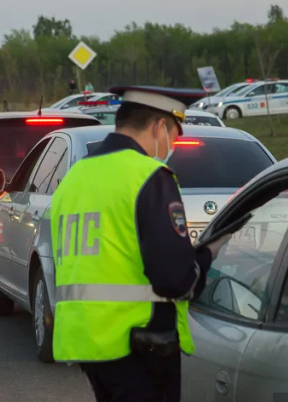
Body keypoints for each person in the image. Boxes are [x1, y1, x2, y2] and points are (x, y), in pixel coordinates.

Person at [50, 86, 233, 401]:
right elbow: (174, 279)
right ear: (160, 126)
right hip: (137, 343)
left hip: (85, 340)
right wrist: (204, 258)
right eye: (174, 135)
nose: (172, 145)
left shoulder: (74, 178)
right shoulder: (148, 176)